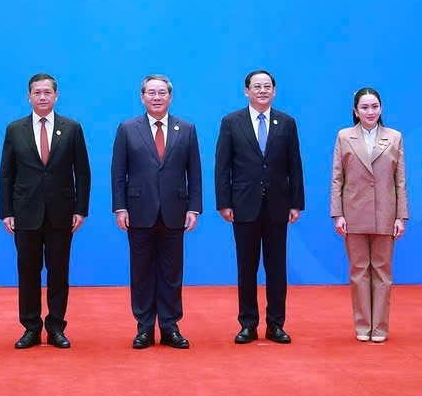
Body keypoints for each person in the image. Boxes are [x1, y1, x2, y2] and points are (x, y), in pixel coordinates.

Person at [0, 73, 91, 349]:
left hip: (61, 213)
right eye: (37, 92)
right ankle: (30, 327)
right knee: (27, 271)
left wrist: (80, 209)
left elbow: (82, 173)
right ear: (29, 96)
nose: (42, 97)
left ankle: (56, 328)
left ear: (56, 96)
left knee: (58, 272)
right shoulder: (15, 129)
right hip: (25, 212)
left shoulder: (72, 128)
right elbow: (6, 174)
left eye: (47, 92)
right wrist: (7, 211)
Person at [111, 74, 202, 350]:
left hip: (175, 211)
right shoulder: (128, 128)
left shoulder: (185, 129)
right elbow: (118, 172)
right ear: (142, 97)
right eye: (151, 93)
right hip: (138, 211)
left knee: (172, 272)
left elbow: (194, 173)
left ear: (170, 97)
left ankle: (170, 326)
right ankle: (144, 328)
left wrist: (194, 208)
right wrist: (120, 207)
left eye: (162, 93)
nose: (157, 97)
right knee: (141, 272)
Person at [214, 70, 303, 345]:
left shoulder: (286, 123)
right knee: (247, 267)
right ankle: (248, 324)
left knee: (277, 268)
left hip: (278, 205)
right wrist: (224, 203)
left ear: (274, 91)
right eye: (257, 86)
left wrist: (296, 203)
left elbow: (295, 166)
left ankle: (276, 324)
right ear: (246, 91)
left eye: (267, 86)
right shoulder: (231, 122)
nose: (262, 90)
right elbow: (222, 166)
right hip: (243, 206)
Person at [330, 87, 408, 343]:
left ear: (381, 109)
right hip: (353, 214)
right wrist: (337, 214)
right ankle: (363, 326)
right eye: (364, 107)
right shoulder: (344, 137)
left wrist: (401, 216)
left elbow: (400, 181)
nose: (370, 112)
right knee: (359, 271)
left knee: (383, 271)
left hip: (386, 213)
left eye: (374, 106)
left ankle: (381, 328)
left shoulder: (394, 137)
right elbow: (337, 179)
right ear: (355, 111)